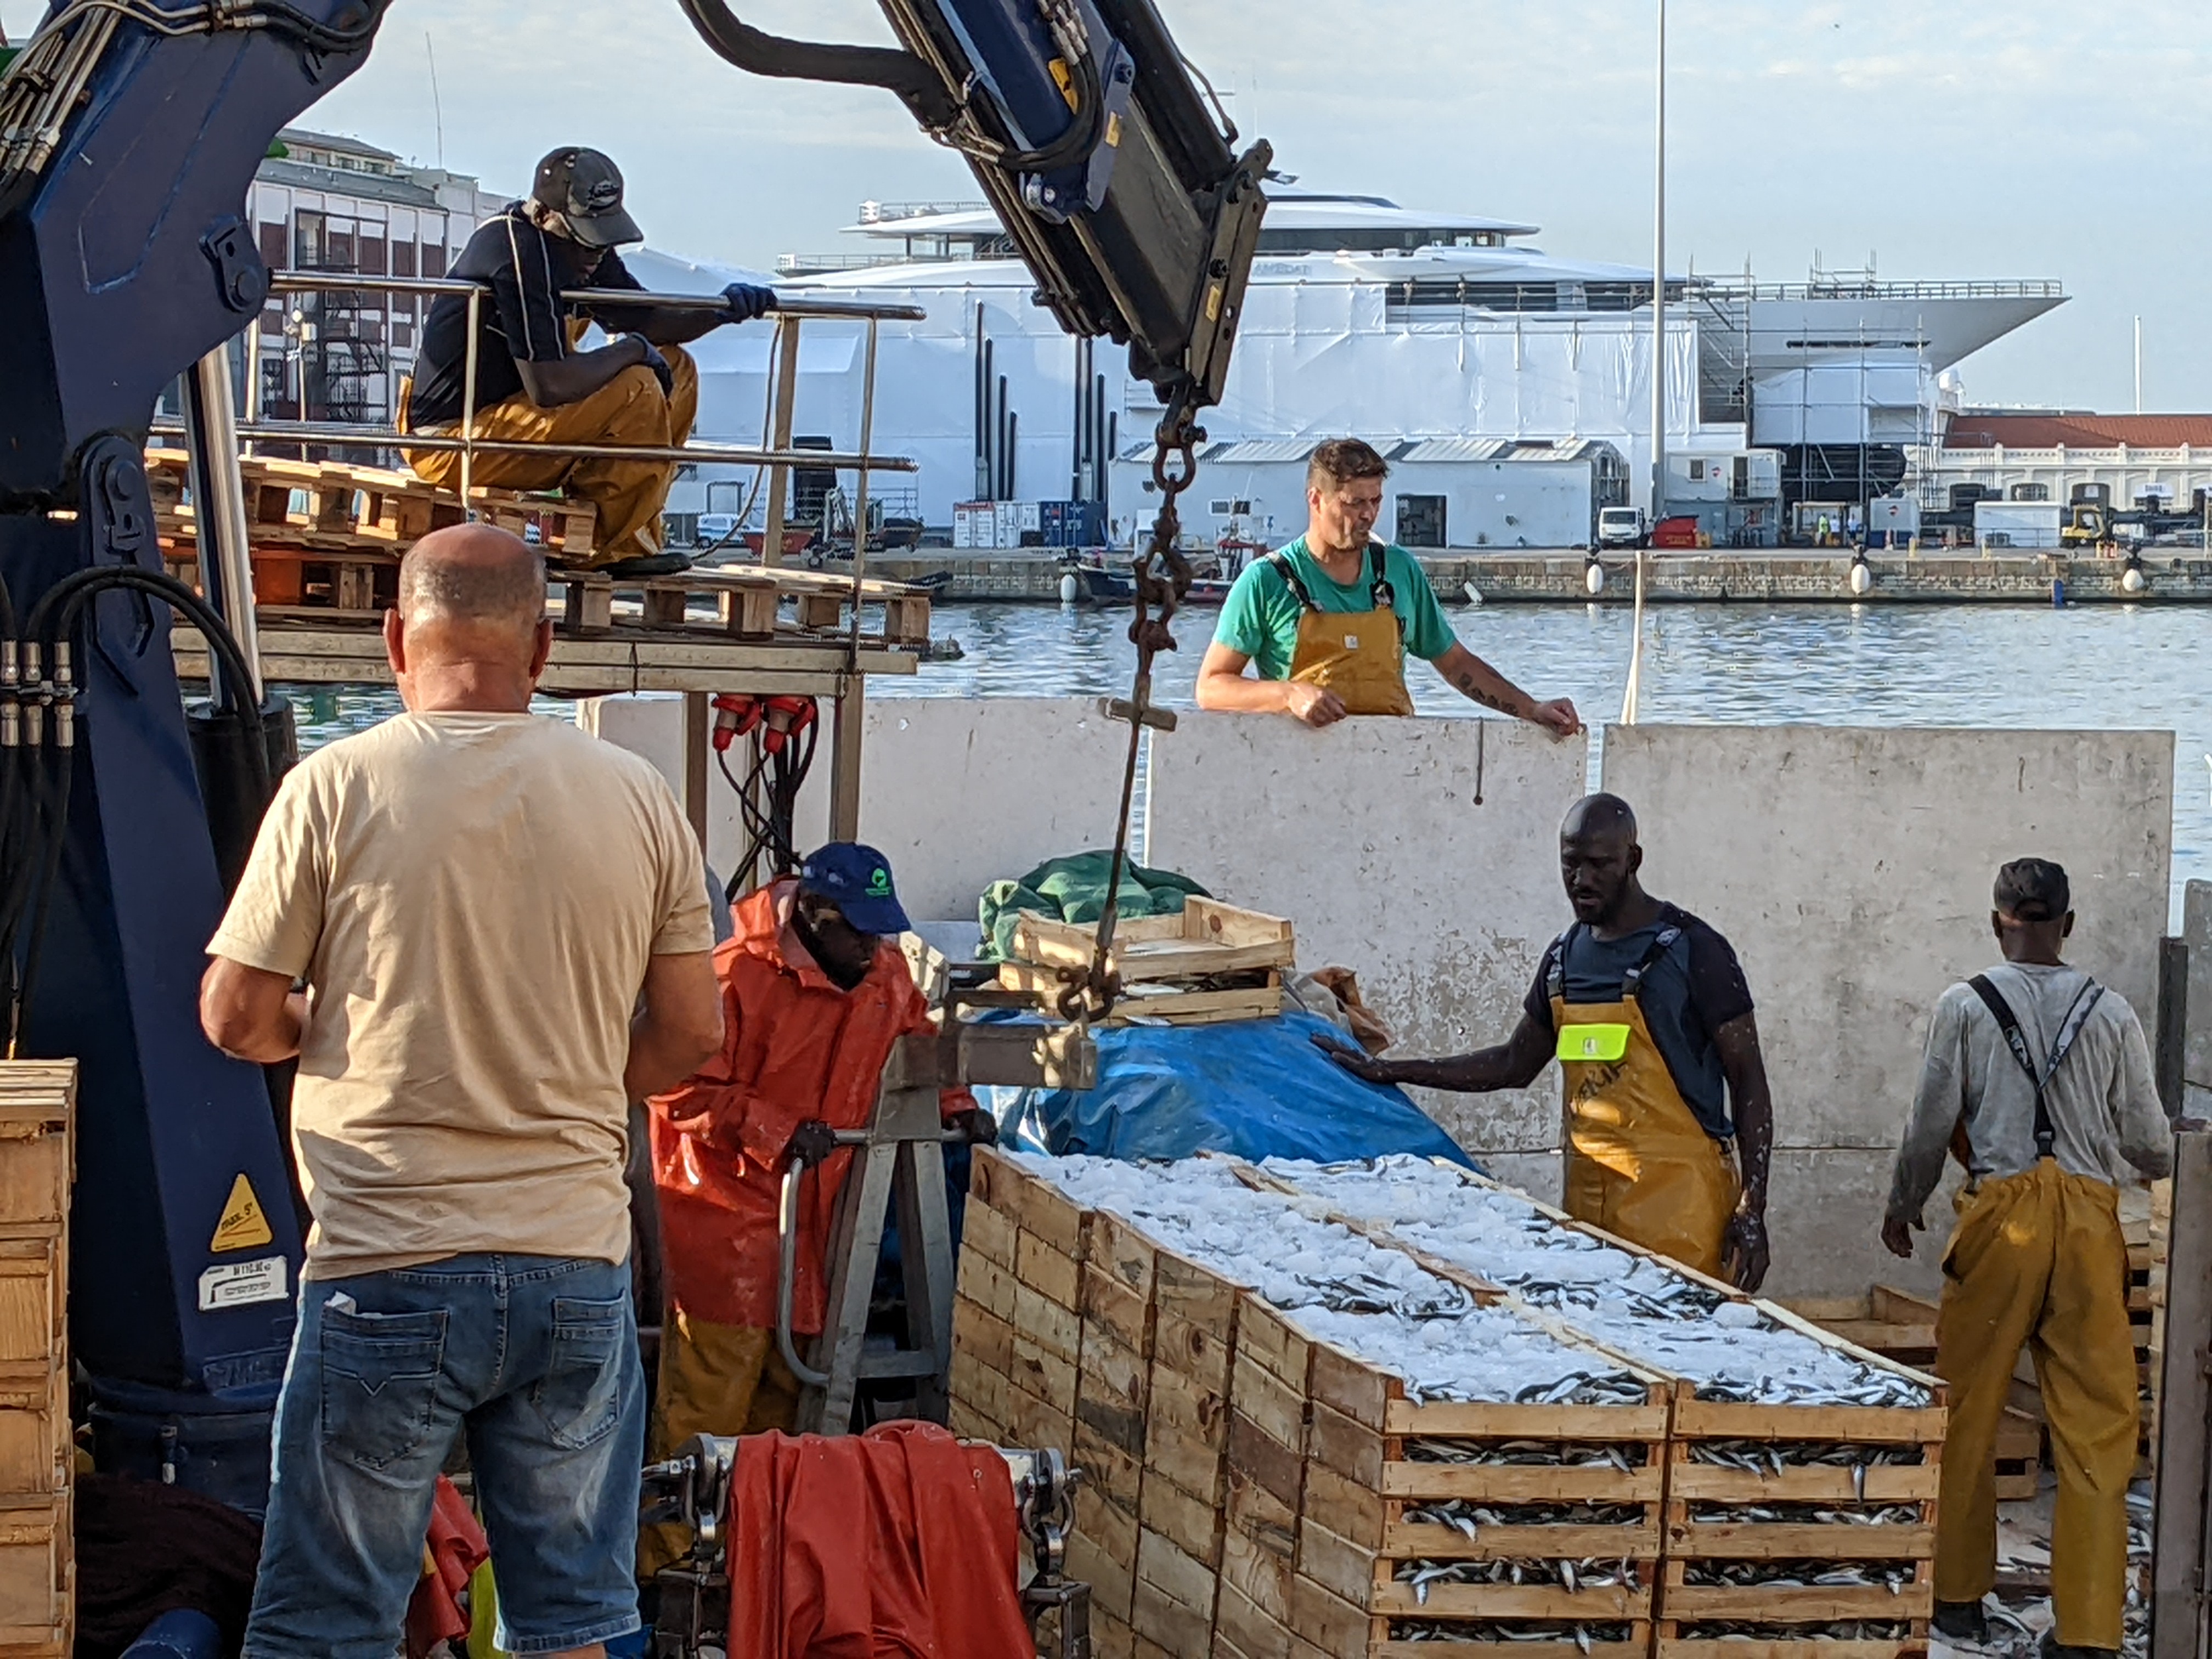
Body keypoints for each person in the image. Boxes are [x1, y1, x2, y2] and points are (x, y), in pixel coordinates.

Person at [199, 524, 723, 1659]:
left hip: (388, 1262)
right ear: (543, 647)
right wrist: (582, 1076)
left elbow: (236, 1015)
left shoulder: (333, 787)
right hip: (575, 1273)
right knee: (576, 1624)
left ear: (394, 639)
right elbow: (691, 1034)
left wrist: (328, 1030)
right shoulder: (637, 797)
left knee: (327, 1628)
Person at [639, 844, 992, 1575]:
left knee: (783, 1408)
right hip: (726, 1230)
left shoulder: (884, 977)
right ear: (815, 917)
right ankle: (666, 1573)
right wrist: (773, 1130)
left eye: (878, 933)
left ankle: (751, 1569)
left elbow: (916, 1048)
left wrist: (960, 1109)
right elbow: (675, 1086)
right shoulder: (734, 975)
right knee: (704, 1413)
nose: (872, 948)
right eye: (857, 933)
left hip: (819, 1223)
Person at [1882, 859, 2174, 1659]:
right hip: (2087, 1224)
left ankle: (1957, 1604)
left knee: (1970, 1412)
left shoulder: (1964, 1004)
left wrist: (1903, 1204)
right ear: (2069, 926)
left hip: (1999, 1218)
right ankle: (2087, 1633)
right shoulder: (2111, 1012)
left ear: (1996, 921)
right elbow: (2149, 1143)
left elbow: (1931, 1123)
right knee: (2096, 1429)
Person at [1319, 793, 1774, 1288]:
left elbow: (1749, 1081)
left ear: (1633, 861)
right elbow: (1513, 1065)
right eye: (1570, 864)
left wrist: (1752, 1209)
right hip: (1588, 1213)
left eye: (1600, 865)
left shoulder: (1695, 950)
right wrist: (1392, 1070)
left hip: (1683, 1218)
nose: (1582, 881)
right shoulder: (1563, 959)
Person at [398, 146, 777, 577]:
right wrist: (630, 350)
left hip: (512, 424)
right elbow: (549, 385)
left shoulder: (578, 253)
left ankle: (633, 535)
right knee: (637, 382)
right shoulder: (516, 249)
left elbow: (647, 320)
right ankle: (612, 549)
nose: (594, 255)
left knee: (678, 368)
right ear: (544, 216)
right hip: (453, 443)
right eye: (584, 239)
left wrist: (721, 310)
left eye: (603, 239)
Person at [1195, 437, 1581, 732]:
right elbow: (1211, 688)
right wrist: (1288, 695)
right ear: (1315, 499)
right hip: (1298, 776)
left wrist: (1531, 709)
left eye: (1375, 501)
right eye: (1353, 503)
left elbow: (1456, 663)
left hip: (1392, 768)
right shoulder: (1266, 581)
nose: (1367, 515)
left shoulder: (1399, 571)